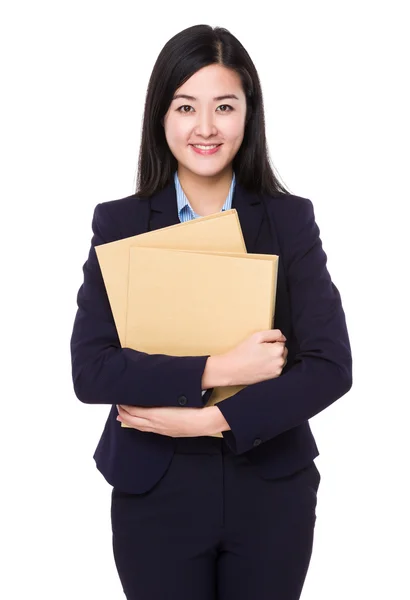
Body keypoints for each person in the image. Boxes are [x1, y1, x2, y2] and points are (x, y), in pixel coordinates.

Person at [70, 24, 352, 600]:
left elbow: (330, 366)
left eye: (224, 106)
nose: (205, 128)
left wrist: (212, 420)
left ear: (249, 113)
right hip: (155, 484)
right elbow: (92, 370)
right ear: (161, 116)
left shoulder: (288, 220)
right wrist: (219, 368)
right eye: (185, 107)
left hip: (270, 486)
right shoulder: (119, 223)